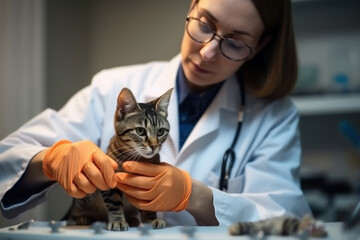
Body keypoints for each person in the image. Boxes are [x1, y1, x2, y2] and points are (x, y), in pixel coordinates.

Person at [0, 0, 311, 227]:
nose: (207, 52)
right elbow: (6, 159)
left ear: (262, 45)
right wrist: (49, 161)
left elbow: (290, 218)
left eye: (235, 43)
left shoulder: (274, 117)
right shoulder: (111, 86)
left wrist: (198, 197)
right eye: (204, 25)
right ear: (192, 6)